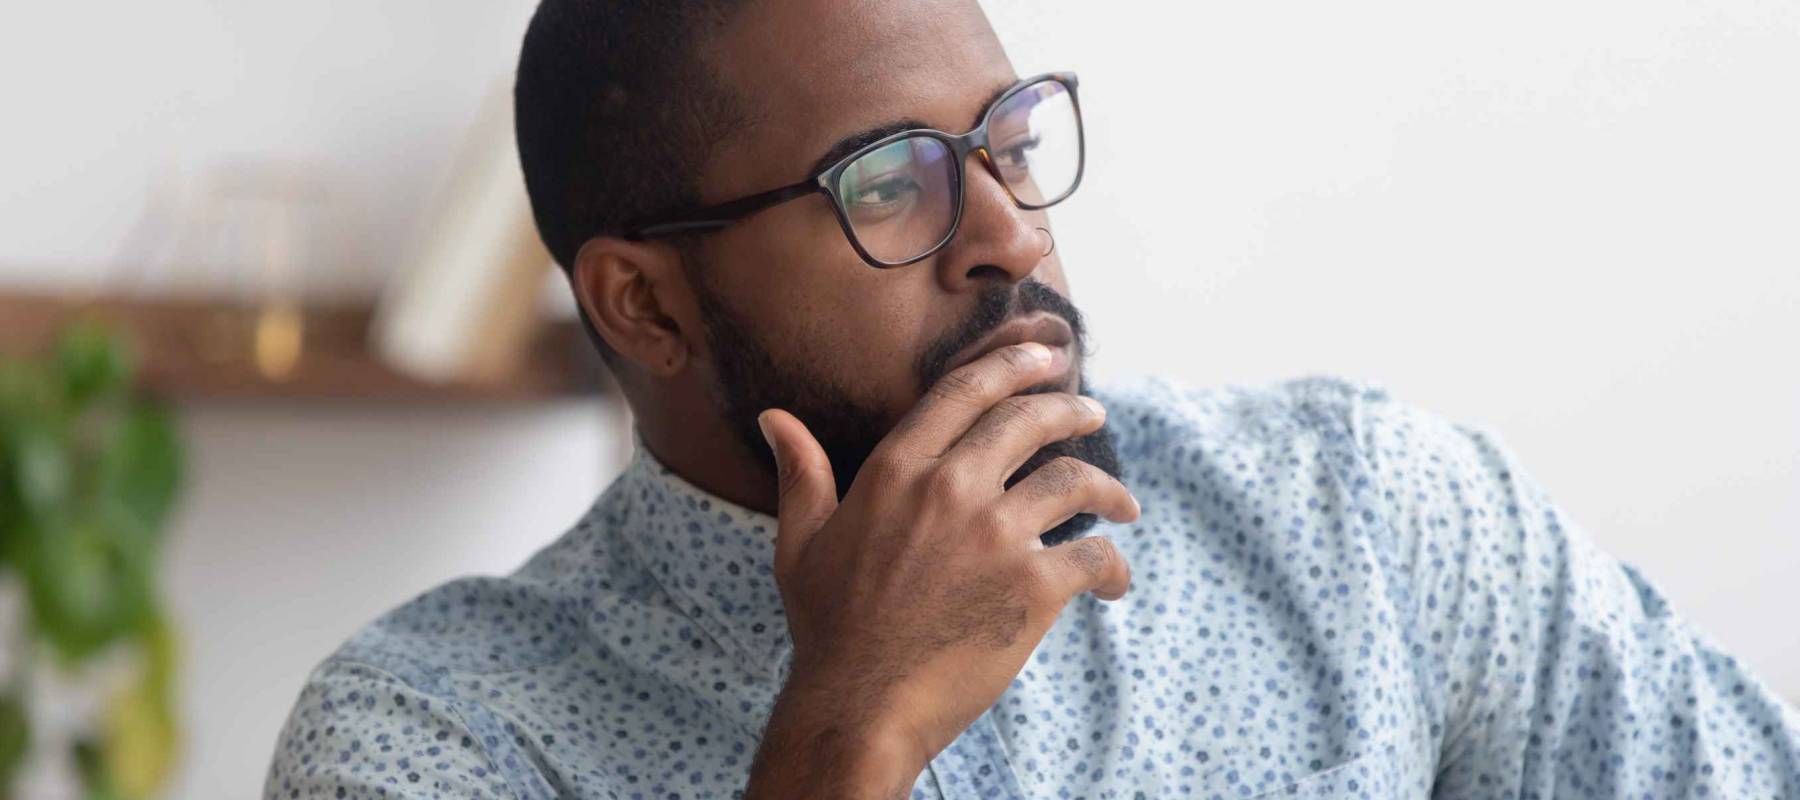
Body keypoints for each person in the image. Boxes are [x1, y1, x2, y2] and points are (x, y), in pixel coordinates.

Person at [264, 0, 1800, 797]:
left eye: (1005, 138)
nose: (1008, 230)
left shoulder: (1366, 515)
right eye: (891, 181)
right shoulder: (433, 738)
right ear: (647, 302)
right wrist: (846, 735)